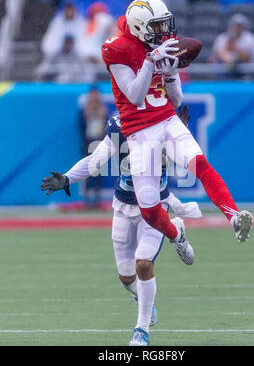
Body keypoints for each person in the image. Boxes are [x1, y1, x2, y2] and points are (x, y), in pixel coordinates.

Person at [101, 0, 253, 276]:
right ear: (139, 27)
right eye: (157, 26)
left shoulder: (158, 47)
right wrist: (150, 61)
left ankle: (233, 216)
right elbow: (134, 96)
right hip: (139, 133)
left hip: (167, 120)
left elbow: (176, 98)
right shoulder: (117, 49)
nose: (163, 32)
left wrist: (170, 74)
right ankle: (177, 236)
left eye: (164, 25)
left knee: (200, 165)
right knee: (149, 210)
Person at [41, 106, 202, 346]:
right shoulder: (120, 124)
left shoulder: (164, 124)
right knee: (126, 277)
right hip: (124, 205)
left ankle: (142, 330)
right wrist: (68, 178)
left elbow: (182, 156)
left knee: (144, 263)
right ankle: (176, 233)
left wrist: (181, 135)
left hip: (155, 205)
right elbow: (96, 160)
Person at [79, 87, 108, 207]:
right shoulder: (85, 110)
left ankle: (96, 198)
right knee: (86, 171)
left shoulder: (103, 110)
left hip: (99, 143)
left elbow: (107, 127)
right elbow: (80, 126)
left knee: (98, 172)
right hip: (88, 143)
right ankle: (86, 199)